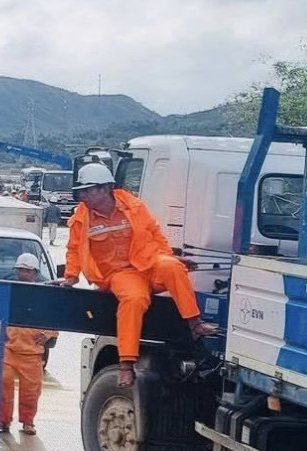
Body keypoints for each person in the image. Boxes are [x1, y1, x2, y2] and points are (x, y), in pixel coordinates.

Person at [58, 163, 214, 387]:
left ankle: (195, 323)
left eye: (88, 190)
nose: (82, 195)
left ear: (105, 189)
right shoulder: (81, 219)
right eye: (81, 191)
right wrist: (71, 276)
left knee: (172, 267)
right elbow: (73, 249)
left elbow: (155, 233)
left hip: (148, 262)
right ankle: (126, 364)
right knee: (134, 299)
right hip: (120, 273)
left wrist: (169, 257)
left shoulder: (133, 206)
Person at [2, 253, 57, 435]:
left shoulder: (42, 296)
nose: (23, 274)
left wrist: (48, 334)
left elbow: (54, 318)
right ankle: (3, 421)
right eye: (20, 270)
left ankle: (28, 422)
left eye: (27, 270)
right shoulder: (10, 291)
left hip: (32, 354)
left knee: (31, 393)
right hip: (9, 350)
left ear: (34, 273)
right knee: (3, 384)